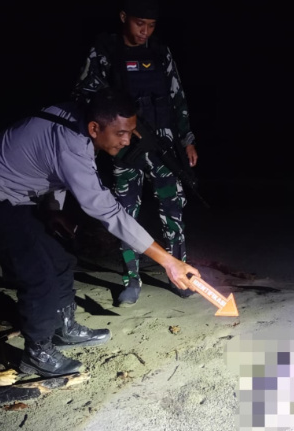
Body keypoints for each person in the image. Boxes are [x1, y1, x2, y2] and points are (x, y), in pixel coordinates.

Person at [0, 87, 200, 377]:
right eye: (120, 133)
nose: (127, 140)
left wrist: (53, 211)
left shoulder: (78, 117)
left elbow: (48, 165)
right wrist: (168, 261)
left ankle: (63, 328)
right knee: (37, 274)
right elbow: (108, 211)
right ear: (95, 128)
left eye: (131, 132)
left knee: (61, 259)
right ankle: (37, 352)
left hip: (17, 196)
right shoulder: (73, 146)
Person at [71, 0, 199, 307]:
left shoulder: (160, 52)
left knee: (173, 212)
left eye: (151, 25)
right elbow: (83, 93)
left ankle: (180, 274)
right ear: (123, 17)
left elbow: (177, 96)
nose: (145, 31)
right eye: (140, 23)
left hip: (163, 146)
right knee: (126, 213)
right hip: (125, 149)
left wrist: (187, 139)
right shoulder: (106, 50)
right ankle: (131, 280)